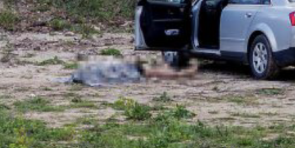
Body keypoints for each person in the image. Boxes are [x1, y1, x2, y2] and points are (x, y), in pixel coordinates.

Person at [69, 56, 198, 86]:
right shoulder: (83, 74)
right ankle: (180, 74)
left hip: (119, 68)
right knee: (147, 72)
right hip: (121, 69)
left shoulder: (82, 74)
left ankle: (177, 72)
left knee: (148, 70)